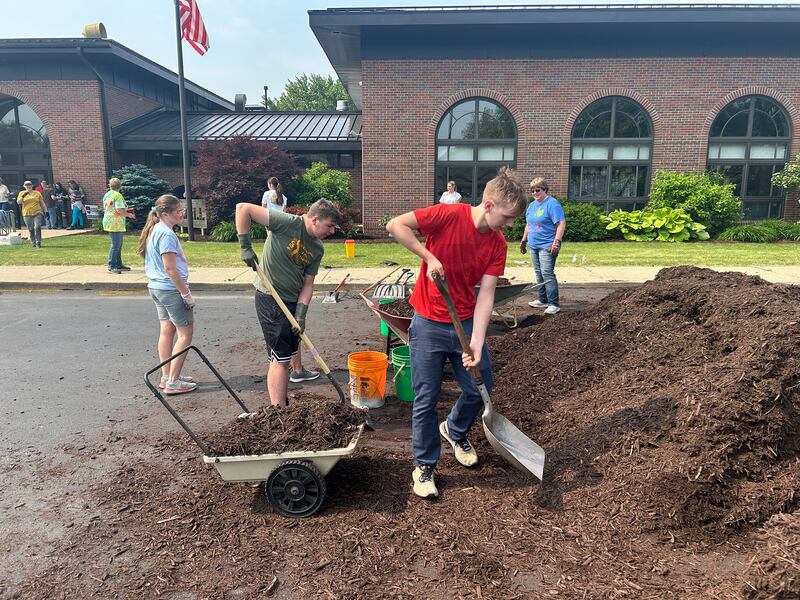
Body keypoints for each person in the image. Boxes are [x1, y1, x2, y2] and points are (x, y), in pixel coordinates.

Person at [386, 166, 528, 499]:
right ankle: (424, 466)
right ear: (489, 205)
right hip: (428, 323)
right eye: (507, 217)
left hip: (464, 321)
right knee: (426, 397)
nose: (510, 225)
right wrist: (428, 256)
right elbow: (396, 225)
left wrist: (478, 340)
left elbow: (488, 293)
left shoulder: (497, 244)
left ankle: (454, 428)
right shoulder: (447, 215)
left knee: (481, 387)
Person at [236, 198, 340, 407]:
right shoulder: (287, 222)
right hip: (270, 297)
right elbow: (243, 209)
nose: (332, 231)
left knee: (286, 355)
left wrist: (301, 314)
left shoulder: (317, 249)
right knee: (281, 358)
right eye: (329, 226)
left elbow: (308, 284)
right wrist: (245, 246)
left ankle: (281, 405)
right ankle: (278, 411)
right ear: (315, 220)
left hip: (292, 302)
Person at [138, 194, 197, 395]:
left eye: (182, 210)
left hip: (156, 287)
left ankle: (167, 375)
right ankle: (173, 381)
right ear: (165, 214)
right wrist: (185, 293)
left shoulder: (156, 230)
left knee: (167, 331)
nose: (182, 214)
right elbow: (170, 268)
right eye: (178, 211)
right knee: (185, 333)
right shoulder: (166, 235)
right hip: (169, 289)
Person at [519, 178, 566, 315]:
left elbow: (561, 223)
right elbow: (529, 224)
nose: (534, 193)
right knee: (539, 273)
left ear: (544, 190)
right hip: (534, 244)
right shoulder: (532, 205)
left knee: (547, 273)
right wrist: (523, 240)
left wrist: (557, 241)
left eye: (537, 190)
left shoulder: (552, 204)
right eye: (532, 190)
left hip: (548, 244)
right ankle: (543, 299)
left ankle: (553, 304)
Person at [103, 177, 134, 274]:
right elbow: (119, 210)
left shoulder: (107, 195)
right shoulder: (118, 195)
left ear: (110, 185)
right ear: (120, 186)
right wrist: (129, 215)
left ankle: (118, 264)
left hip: (109, 221)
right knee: (116, 244)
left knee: (117, 244)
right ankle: (112, 266)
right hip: (115, 222)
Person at [17, 180, 47, 248]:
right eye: (27, 185)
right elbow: (18, 202)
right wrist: (24, 196)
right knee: (31, 229)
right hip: (27, 213)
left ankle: (38, 242)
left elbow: (42, 202)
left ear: (32, 185)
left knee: (37, 227)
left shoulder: (37, 193)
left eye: (29, 185)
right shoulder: (21, 193)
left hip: (37, 212)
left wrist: (46, 211)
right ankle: (33, 241)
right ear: (24, 186)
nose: (28, 186)